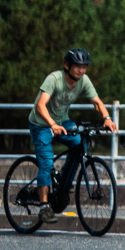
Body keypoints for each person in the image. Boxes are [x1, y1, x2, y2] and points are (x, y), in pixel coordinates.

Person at [29, 48, 116, 207]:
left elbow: (96, 102)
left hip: (63, 121)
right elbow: (40, 106)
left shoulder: (84, 80)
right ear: (67, 66)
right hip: (41, 124)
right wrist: (52, 124)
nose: (81, 70)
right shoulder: (54, 79)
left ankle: (64, 182)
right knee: (47, 164)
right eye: (77, 66)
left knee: (81, 144)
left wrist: (107, 118)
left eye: (84, 67)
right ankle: (43, 206)